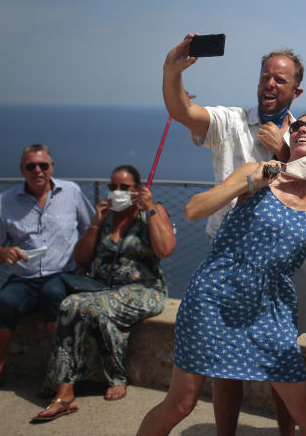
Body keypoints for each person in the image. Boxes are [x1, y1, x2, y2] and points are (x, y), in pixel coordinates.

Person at [136, 114, 306, 436]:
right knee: (181, 403)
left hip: (271, 309)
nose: (303, 128)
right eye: (297, 126)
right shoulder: (257, 172)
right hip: (216, 295)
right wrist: (251, 182)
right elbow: (194, 209)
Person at [161, 35, 306, 434]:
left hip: (287, 266)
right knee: (223, 366)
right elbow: (182, 110)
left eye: (280, 80)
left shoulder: (305, 137)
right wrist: (172, 72)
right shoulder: (232, 121)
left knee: (284, 363)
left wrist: (283, 151)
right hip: (232, 262)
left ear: (296, 89)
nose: (270, 84)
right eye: (266, 76)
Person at [30, 164, 177, 423]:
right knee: (69, 305)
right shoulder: (107, 218)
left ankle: (115, 376)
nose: (116, 192)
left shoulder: (152, 212)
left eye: (124, 187)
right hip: (103, 288)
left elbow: (165, 249)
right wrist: (96, 222)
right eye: (113, 187)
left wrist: (150, 209)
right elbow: (81, 256)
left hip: (143, 290)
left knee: (96, 309)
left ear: (137, 189)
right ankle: (64, 389)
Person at [0, 144, 95, 399]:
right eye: (31, 166)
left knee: (54, 297)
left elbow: (90, 228)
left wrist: (85, 266)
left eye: (43, 165)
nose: (38, 171)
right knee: (4, 304)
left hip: (62, 273)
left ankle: (60, 375)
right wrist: (4, 253)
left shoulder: (71, 192)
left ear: (52, 167)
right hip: (24, 277)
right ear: (22, 170)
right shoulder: (5, 201)